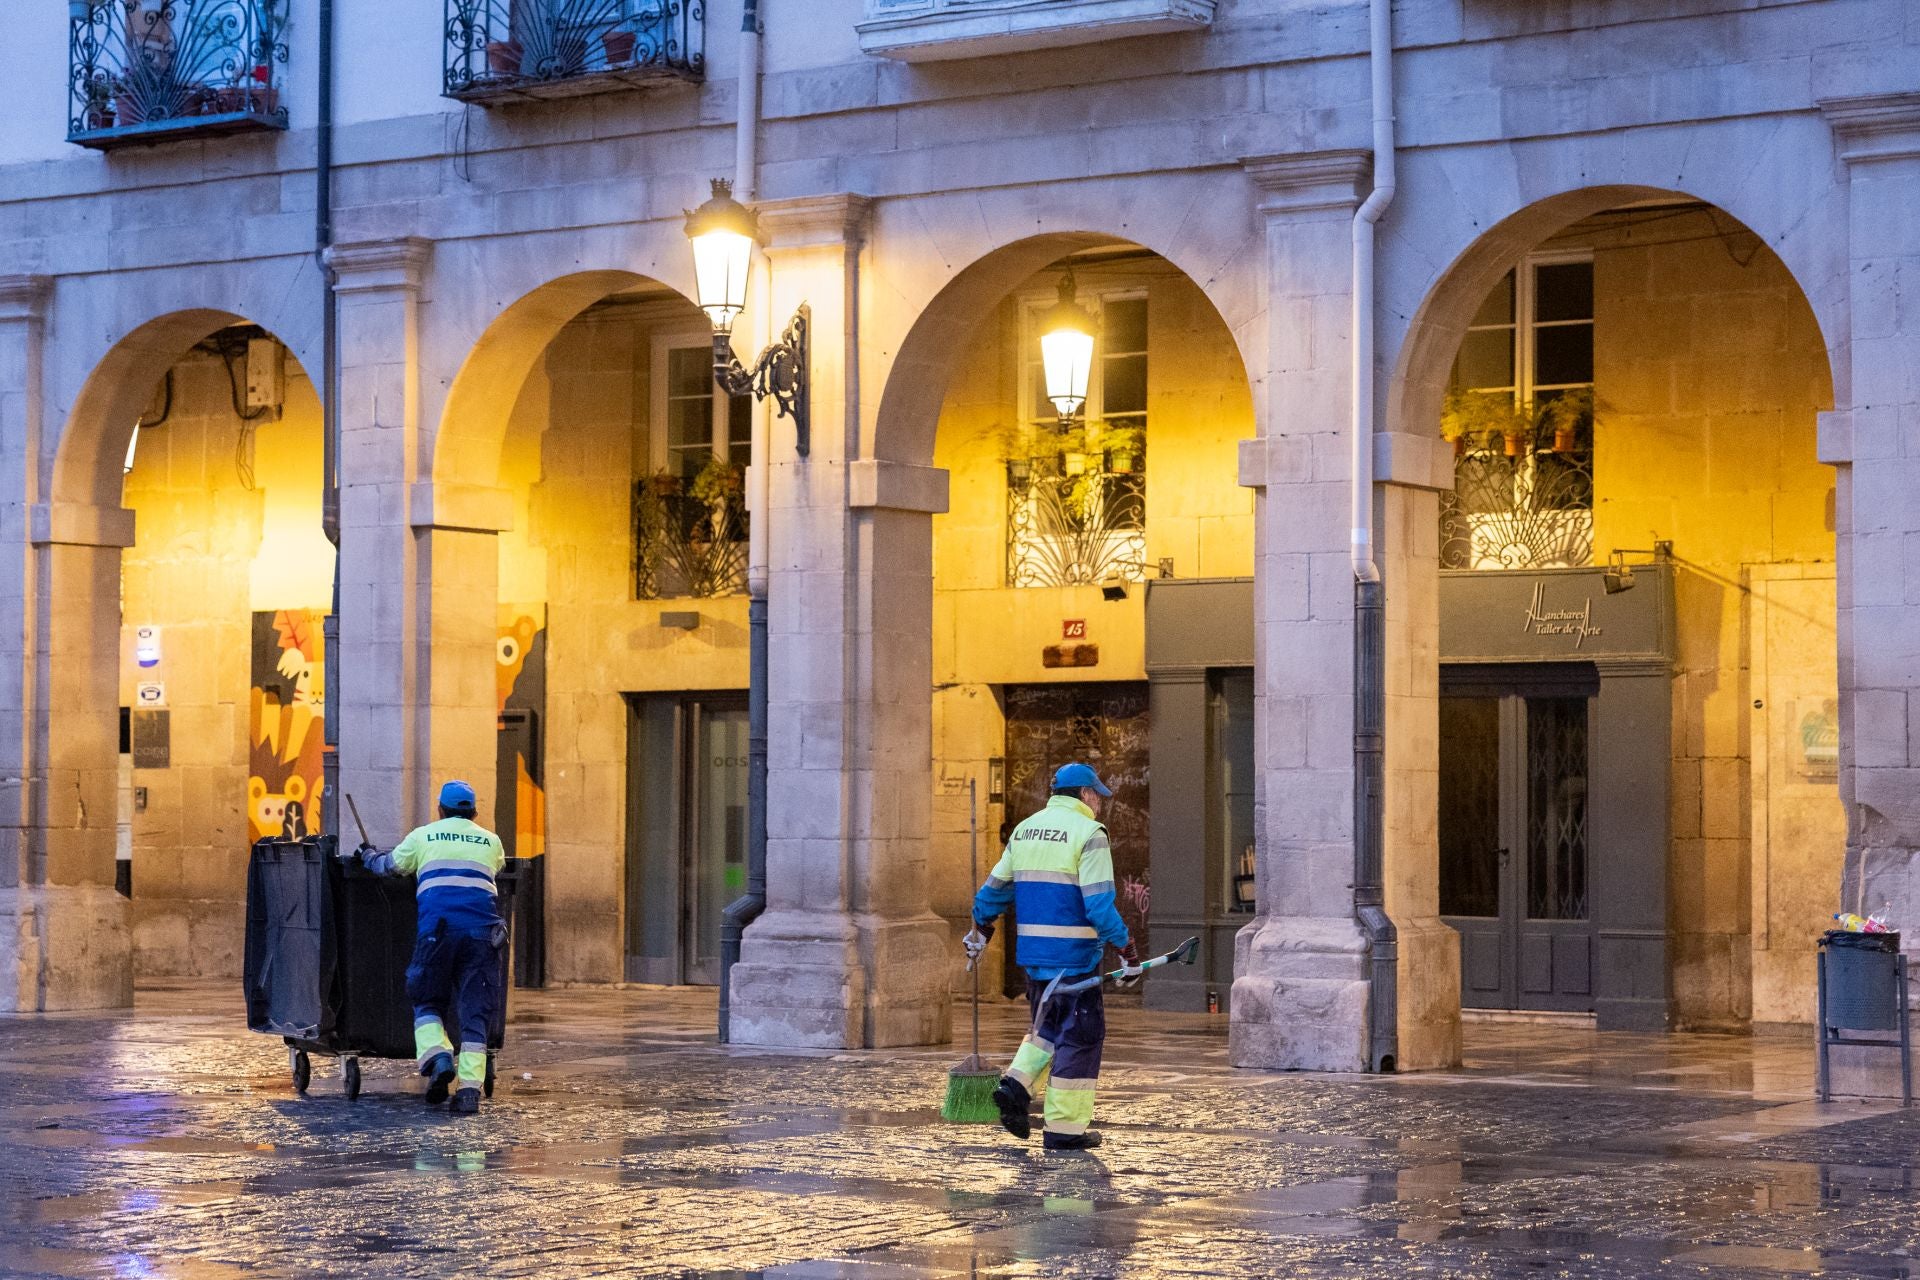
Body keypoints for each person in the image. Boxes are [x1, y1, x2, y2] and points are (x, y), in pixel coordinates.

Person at [967, 763, 1138, 1151]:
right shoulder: (1089, 834)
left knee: (1048, 1029)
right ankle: (1064, 1130)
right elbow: (1098, 907)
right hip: (1075, 961)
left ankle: (1014, 1086)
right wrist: (1127, 949)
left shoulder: (1024, 830)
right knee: (1080, 1039)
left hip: (1035, 959)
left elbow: (993, 891)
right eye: (1097, 796)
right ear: (1084, 795)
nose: (1100, 804)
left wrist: (982, 927)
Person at [358, 780, 507, 1114]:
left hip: (437, 932)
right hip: (483, 934)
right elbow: (499, 868)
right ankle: (469, 1092)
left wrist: (368, 856)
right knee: (476, 1012)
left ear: (440, 810)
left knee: (425, 998)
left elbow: (391, 867)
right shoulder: (491, 840)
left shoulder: (423, 835)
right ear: (475, 812)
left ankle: (438, 1058)